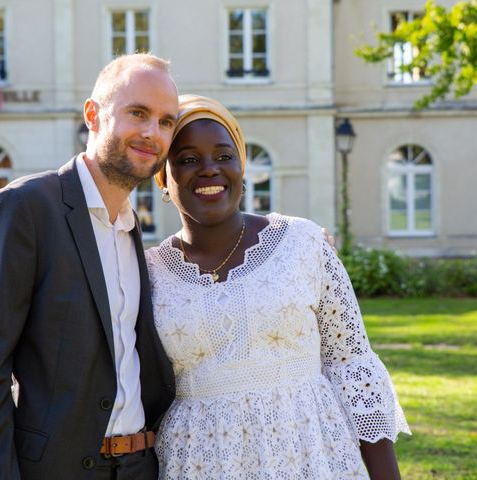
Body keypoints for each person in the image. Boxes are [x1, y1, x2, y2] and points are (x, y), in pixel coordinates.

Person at [146, 95, 411, 479]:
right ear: (164, 180)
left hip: (312, 454)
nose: (209, 170)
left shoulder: (302, 243)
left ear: (242, 167)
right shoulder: (148, 273)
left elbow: (352, 366)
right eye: (187, 160)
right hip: (201, 462)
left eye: (224, 156)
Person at [0, 54, 178, 479]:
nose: (153, 133)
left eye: (166, 121)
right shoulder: (25, 208)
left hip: (139, 468)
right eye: (138, 113)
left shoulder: (131, 230)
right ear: (93, 115)